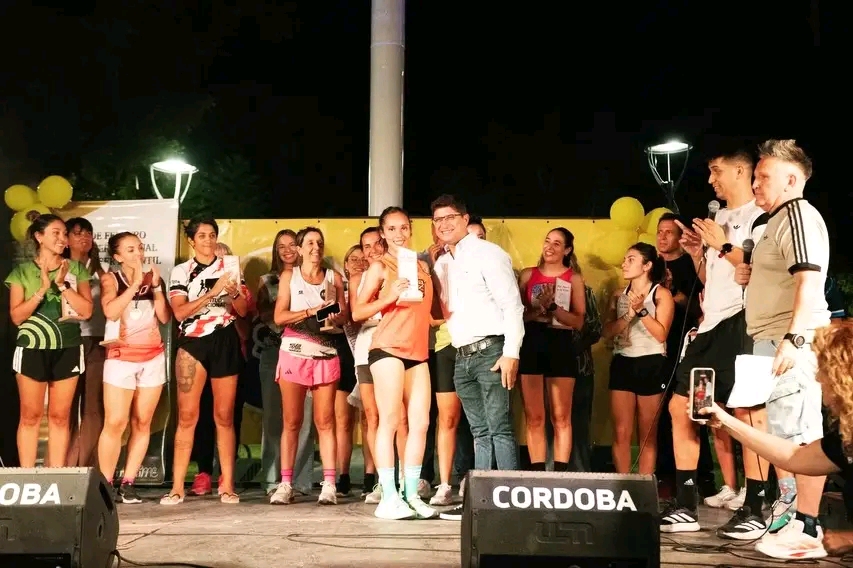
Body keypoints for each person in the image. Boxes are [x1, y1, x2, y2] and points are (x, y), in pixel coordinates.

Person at [660, 146, 770, 537]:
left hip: (744, 324)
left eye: (716, 170)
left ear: (741, 171)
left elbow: (759, 271)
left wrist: (723, 244)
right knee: (683, 406)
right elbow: (713, 280)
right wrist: (697, 254)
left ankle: (755, 506)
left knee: (746, 413)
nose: (711, 180)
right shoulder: (718, 217)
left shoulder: (760, 216)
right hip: (711, 326)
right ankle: (686, 502)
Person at [733, 139, 831, 558]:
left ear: (792, 180)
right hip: (771, 338)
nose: (755, 183)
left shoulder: (797, 215)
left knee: (801, 434)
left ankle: (807, 526)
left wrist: (794, 339)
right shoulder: (776, 221)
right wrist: (750, 274)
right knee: (781, 430)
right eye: (755, 176)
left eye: (764, 176)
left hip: (790, 340)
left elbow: (809, 280)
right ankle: (793, 516)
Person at [699, 322, 852, 559]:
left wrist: (849, 539)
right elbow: (795, 457)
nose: (818, 377)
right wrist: (725, 422)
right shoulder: (845, 435)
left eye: (823, 369)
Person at [430, 194, 524, 521]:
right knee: (479, 432)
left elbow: (513, 306)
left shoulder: (489, 253)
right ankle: (480, 503)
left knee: (499, 428)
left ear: (464, 218)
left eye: (450, 217)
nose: (444, 224)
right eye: (438, 220)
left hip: (492, 351)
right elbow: (441, 312)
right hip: (461, 355)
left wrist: (511, 353)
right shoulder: (442, 263)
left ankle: (511, 502)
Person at [352, 207, 438, 520]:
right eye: (391, 228)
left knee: (420, 423)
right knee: (389, 420)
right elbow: (358, 312)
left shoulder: (421, 266)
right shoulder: (379, 265)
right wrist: (388, 297)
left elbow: (427, 312)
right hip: (387, 347)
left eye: (403, 227)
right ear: (383, 233)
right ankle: (388, 497)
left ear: (410, 229)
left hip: (417, 351)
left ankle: (411, 494)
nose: (398, 233)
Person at [163, 218, 248, 505]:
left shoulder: (230, 266)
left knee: (224, 417)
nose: (208, 240)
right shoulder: (181, 271)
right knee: (188, 416)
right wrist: (213, 292)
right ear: (191, 240)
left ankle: (228, 485)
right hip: (193, 341)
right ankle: (177, 487)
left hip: (225, 339)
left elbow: (243, 310)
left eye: (212, 235)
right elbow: (179, 312)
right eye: (202, 236)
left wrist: (233, 292)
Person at [6, 214, 93, 467]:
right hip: (32, 347)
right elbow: (17, 317)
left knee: (59, 417)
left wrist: (63, 285)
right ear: (39, 236)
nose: (62, 238)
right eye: (56, 233)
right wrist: (43, 289)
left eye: (65, 234)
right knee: (30, 416)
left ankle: (56, 475)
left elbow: (86, 311)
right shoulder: (22, 272)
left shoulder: (76, 269)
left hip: (67, 347)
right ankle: (26, 477)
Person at [270, 227, 348, 506]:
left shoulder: (333, 278)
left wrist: (332, 314)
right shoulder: (289, 276)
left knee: (325, 422)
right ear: (300, 249)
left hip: (326, 352)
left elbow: (344, 317)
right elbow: (279, 316)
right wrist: (310, 312)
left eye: (319, 242)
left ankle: (329, 484)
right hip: (294, 351)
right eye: (310, 243)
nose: (316, 247)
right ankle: (285, 484)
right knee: (292, 422)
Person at [97, 232, 170, 503]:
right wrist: (135, 284)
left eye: (139, 248)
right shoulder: (111, 279)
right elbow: (111, 311)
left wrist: (157, 287)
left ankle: (128, 483)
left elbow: (164, 317)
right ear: (117, 256)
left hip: (152, 357)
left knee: (142, 422)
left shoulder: (153, 278)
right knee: (116, 422)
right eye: (130, 250)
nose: (138, 253)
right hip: (121, 357)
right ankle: (105, 484)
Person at [517, 228, 586, 471]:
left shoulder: (573, 279)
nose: (550, 247)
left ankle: (560, 474)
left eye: (557, 244)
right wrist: (538, 311)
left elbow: (579, 321)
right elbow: (517, 315)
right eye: (547, 241)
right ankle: (537, 473)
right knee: (534, 416)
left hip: (561, 344)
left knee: (561, 416)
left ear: (567, 250)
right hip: (532, 342)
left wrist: (554, 308)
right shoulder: (528, 275)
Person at [604, 243, 673, 474]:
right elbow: (607, 331)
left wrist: (642, 310)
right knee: (621, 432)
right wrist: (628, 315)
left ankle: (644, 485)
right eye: (625, 259)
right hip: (623, 361)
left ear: (647, 265)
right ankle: (623, 483)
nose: (624, 264)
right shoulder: (618, 295)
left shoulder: (661, 294)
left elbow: (661, 334)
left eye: (631, 259)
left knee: (647, 433)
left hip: (651, 362)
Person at [63, 217, 107, 469]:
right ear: (66, 239)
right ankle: (64, 465)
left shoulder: (102, 272)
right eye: (78, 233)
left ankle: (88, 467)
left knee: (93, 407)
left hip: (97, 341)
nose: (84, 237)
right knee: (66, 408)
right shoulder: (59, 269)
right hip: (67, 340)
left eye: (88, 233)